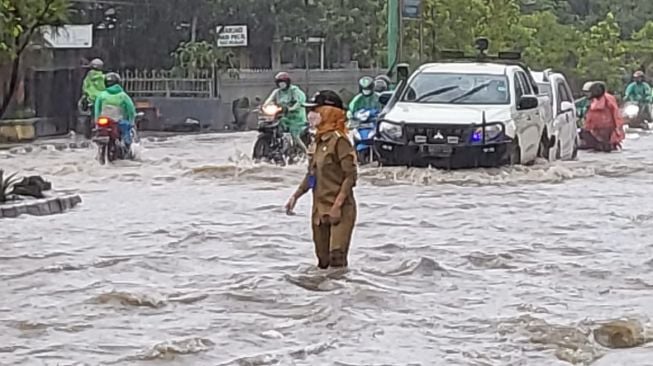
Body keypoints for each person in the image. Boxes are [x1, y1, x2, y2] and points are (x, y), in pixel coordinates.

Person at [285, 90, 358, 269]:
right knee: (322, 262)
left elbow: (350, 177)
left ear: (329, 112)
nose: (311, 115)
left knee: (336, 257)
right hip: (319, 209)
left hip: (340, 209)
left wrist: (337, 206)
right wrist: (296, 196)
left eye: (315, 110)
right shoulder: (316, 141)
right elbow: (312, 175)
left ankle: (342, 293)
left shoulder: (340, 141)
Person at [264, 72, 308, 151]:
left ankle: (307, 153)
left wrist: (292, 108)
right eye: (279, 83)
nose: (281, 84)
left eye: (283, 82)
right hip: (283, 116)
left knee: (295, 136)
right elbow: (269, 100)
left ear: (287, 83)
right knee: (274, 126)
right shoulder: (277, 92)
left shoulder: (294, 90)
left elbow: (300, 101)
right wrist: (263, 107)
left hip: (296, 117)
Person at [94, 72, 137, 149]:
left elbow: (97, 109)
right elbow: (131, 110)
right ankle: (127, 147)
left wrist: (96, 120)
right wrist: (131, 121)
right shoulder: (123, 96)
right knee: (126, 132)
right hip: (118, 121)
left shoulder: (101, 95)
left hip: (103, 121)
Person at [579, 82, 624, 152]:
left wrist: (618, 129)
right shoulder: (590, 100)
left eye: (589, 92)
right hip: (595, 130)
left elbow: (615, 113)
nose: (587, 95)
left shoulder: (608, 99)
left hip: (608, 130)